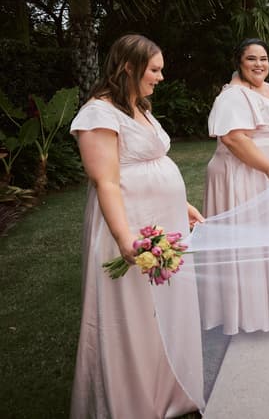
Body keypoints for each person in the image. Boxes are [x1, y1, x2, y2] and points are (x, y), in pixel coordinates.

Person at [69, 34, 205, 418]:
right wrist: (123, 238)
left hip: (166, 221)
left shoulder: (138, 106)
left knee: (165, 307)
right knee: (133, 315)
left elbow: (153, 163)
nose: (161, 78)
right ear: (129, 67)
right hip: (131, 225)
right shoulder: (99, 113)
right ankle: (135, 402)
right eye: (155, 70)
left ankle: (171, 392)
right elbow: (107, 181)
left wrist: (183, 204)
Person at [199, 38, 269, 334]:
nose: (259, 64)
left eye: (263, 58)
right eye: (251, 59)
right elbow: (234, 139)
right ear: (239, 61)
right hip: (249, 177)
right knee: (253, 241)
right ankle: (251, 312)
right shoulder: (233, 96)